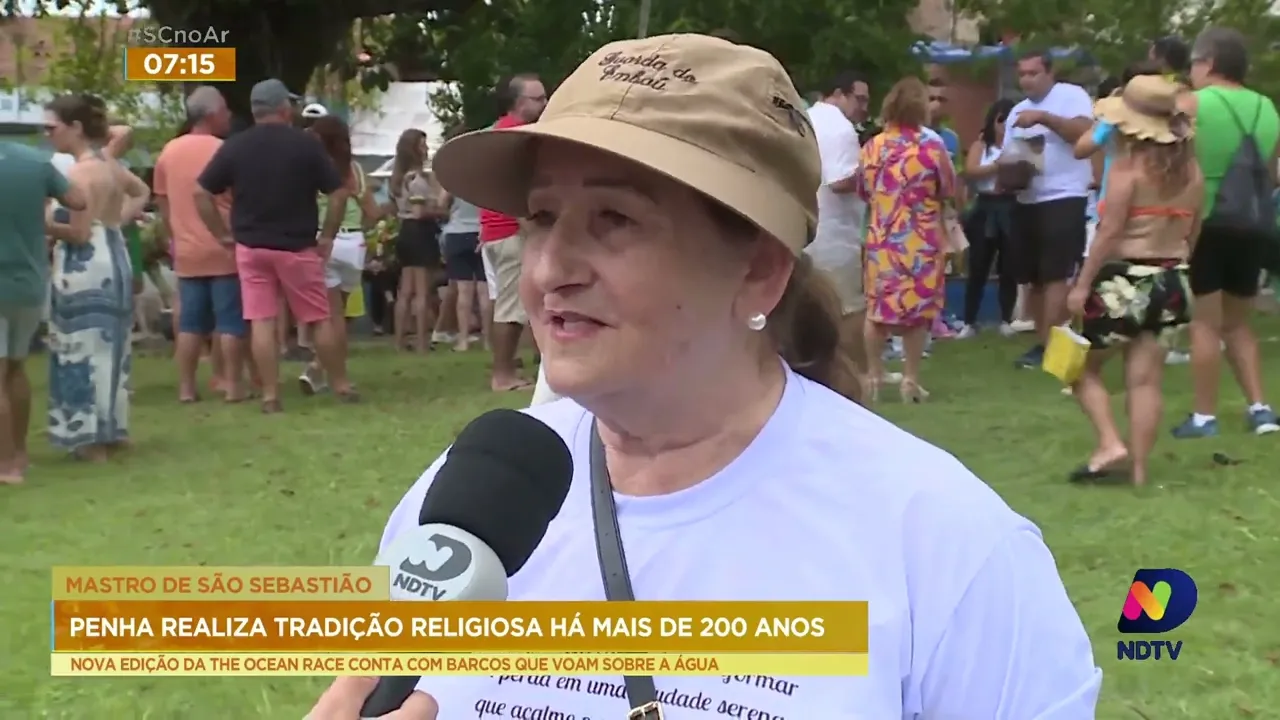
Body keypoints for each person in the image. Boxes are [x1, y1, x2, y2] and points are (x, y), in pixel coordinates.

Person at [308, 33, 1101, 720]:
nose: (550, 269)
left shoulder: (944, 547)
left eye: (614, 220)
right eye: (543, 216)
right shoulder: (470, 499)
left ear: (757, 271)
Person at [1065, 75, 1202, 485]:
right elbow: (1194, 232)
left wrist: (1082, 284)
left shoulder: (1128, 170)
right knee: (1145, 381)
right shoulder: (1192, 173)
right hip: (1174, 279)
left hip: (1128, 280)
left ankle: (1110, 443)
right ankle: (1139, 473)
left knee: (1076, 367)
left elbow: (1108, 233)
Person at [194, 78, 357, 413]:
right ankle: (341, 384)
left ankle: (270, 395)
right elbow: (338, 193)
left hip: (251, 247)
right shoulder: (306, 144)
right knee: (318, 318)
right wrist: (327, 235)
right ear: (284, 108)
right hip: (297, 246)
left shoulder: (236, 146)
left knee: (262, 320)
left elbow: (201, 192)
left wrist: (221, 234)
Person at [1172, 27, 1280, 437]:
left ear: (1209, 63)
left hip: (1207, 221)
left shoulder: (1193, 104)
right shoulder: (1266, 107)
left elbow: (1173, 162)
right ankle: (1260, 409)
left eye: (1194, 63)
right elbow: (1270, 173)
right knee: (1237, 323)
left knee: (1205, 323)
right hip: (1254, 223)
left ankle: (1204, 416)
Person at [44, 94, 148, 461]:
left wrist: (42, 224)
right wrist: (116, 222)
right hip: (114, 254)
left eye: (52, 127)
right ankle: (112, 428)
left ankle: (88, 437)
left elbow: (78, 232)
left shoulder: (79, 174)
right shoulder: (109, 164)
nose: (47, 134)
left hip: (85, 265)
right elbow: (142, 191)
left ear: (75, 127)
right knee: (111, 347)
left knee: (80, 347)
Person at [859, 77, 957, 403]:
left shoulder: (872, 148)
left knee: (877, 310)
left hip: (882, 238)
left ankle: (874, 375)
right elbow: (949, 189)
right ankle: (910, 380)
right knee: (918, 314)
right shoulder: (931, 149)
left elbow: (864, 191)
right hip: (920, 241)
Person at [153, 86, 249, 403]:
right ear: (211, 114)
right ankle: (231, 383)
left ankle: (186, 388)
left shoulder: (169, 152)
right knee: (230, 322)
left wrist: (175, 236)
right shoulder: (224, 150)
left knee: (190, 325)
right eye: (224, 110)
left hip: (187, 251)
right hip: (224, 247)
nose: (229, 115)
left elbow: (162, 201)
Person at [0, 131, 86, 483]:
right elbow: (78, 199)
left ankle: (5, 465)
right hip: (28, 280)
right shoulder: (33, 160)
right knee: (15, 368)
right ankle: (19, 454)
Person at [1004, 50, 1095, 370]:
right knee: (1034, 277)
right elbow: (1011, 155)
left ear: (1049, 73)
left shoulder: (1071, 96)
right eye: (1022, 74)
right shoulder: (1016, 110)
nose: (1026, 80)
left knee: (1057, 273)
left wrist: (1044, 118)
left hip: (1064, 195)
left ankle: (1053, 344)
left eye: (1033, 73)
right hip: (1028, 198)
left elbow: (1084, 134)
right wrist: (1007, 174)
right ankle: (1044, 342)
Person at [301, 115, 380, 394]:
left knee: (330, 316)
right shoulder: (355, 171)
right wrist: (364, 231)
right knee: (341, 316)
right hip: (353, 242)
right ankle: (322, 371)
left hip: (323, 240)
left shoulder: (312, 168)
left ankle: (323, 371)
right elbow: (373, 212)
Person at [480, 73, 547, 392]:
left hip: (496, 233)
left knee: (513, 304)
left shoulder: (498, 131)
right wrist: (535, 232)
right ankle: (502, 375)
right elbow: (515, 191)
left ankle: (510, 370)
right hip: (511, 233)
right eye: (539, 99)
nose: (545, 104)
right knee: (512, 308)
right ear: (520, 102)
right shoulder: (516, 137)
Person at [806, 70, 869, 382]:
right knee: (849, 310)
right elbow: (840, 181)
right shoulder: (842, 129)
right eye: (860, 99)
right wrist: (872, 172)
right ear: (839, 94)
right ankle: (856, 375)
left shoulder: (807, 117)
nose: (864, 108)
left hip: (807, 227)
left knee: (812, 307)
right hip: (836, 233)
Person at [959, 98, 1018, 337]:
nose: (1003, 125)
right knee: (978, 264)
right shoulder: (982, 145)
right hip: (985, 206)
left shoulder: (1019, 145)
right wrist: (997, 166)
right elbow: (971, 170)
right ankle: (969, 320)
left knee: (1009, 265)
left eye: (1008, 120)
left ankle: (1006, 318)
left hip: (1011, 205)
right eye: (1000, 120)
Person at [388, 129, 442, 353]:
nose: (426, 149)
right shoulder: (417, 180)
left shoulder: (398, 179)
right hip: (420, 232)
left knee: (405, 291)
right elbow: (419, 212)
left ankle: (399, 341)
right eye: (422, 145)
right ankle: (421, 341)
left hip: (405, 231)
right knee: (421, 291)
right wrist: (440, 210)